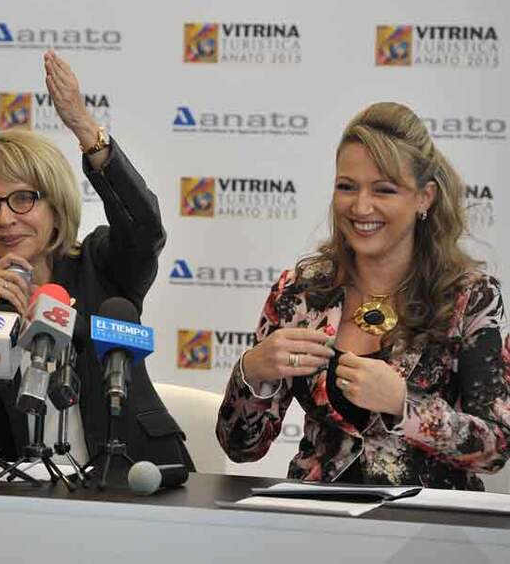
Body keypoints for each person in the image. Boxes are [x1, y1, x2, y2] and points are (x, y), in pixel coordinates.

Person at [216, 102, 510, 489]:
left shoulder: (469, 297)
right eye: (347, 187)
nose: (361, 206)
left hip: (425, 519)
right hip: (315, 515)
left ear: (424, 197)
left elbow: (496, 447)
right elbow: (240, 447)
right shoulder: (299, 292)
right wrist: (253, 371)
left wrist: (403, 404)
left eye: (384, 190)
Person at [0, 51, 194, 472]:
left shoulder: (101, 267)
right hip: (26, 497)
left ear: (56, 207)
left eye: (23, 198)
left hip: (132, 480)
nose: (5, 218)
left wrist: (87, 131)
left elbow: (144, 229)